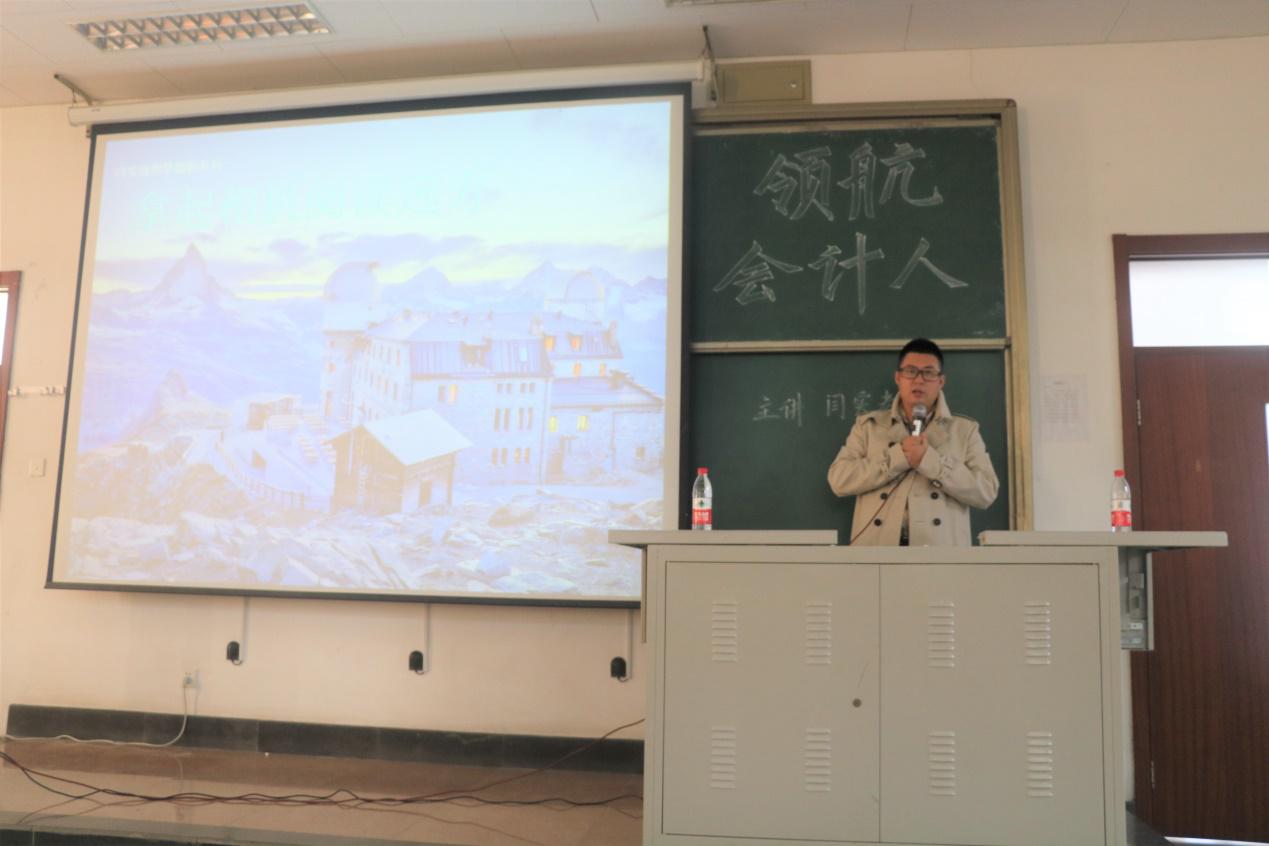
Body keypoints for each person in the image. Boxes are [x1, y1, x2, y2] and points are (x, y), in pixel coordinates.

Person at [827, 338, 998, 546]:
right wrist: (896, 458)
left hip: (940, 554)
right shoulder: (868, 427)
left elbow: (987, 491)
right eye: (911, 371)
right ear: (898, 377)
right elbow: (838, 480)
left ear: (941, 381)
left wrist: (932, 463)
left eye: (928, 373)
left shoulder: (965, 431)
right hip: (877, 551)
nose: (919, 380)